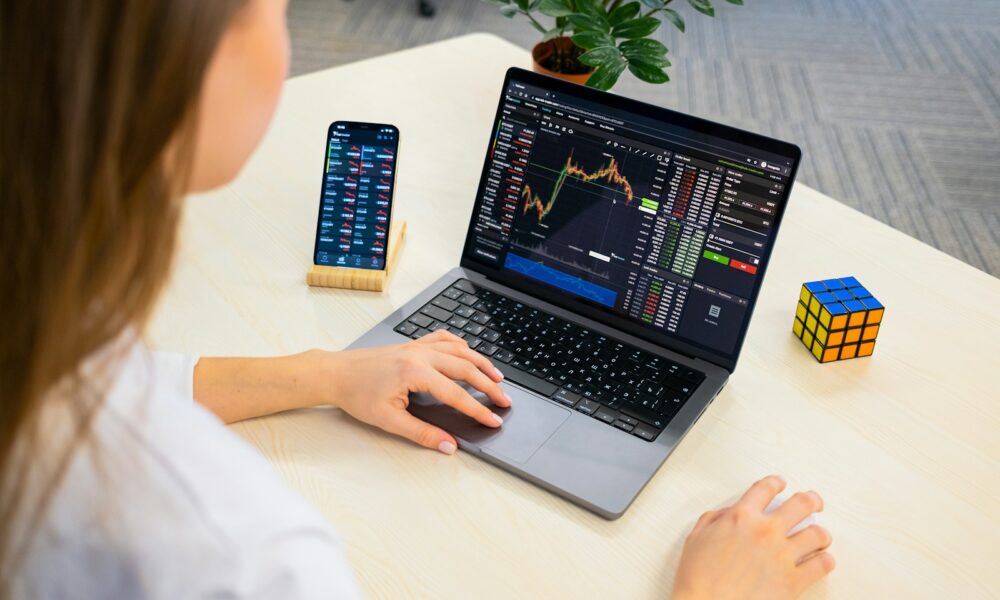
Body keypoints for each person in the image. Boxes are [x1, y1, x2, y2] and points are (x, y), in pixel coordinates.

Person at [0, 1, 835, 598]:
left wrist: (330, 374)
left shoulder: (34, 345)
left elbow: (107, 386)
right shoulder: (245, 556)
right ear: (188, 63)